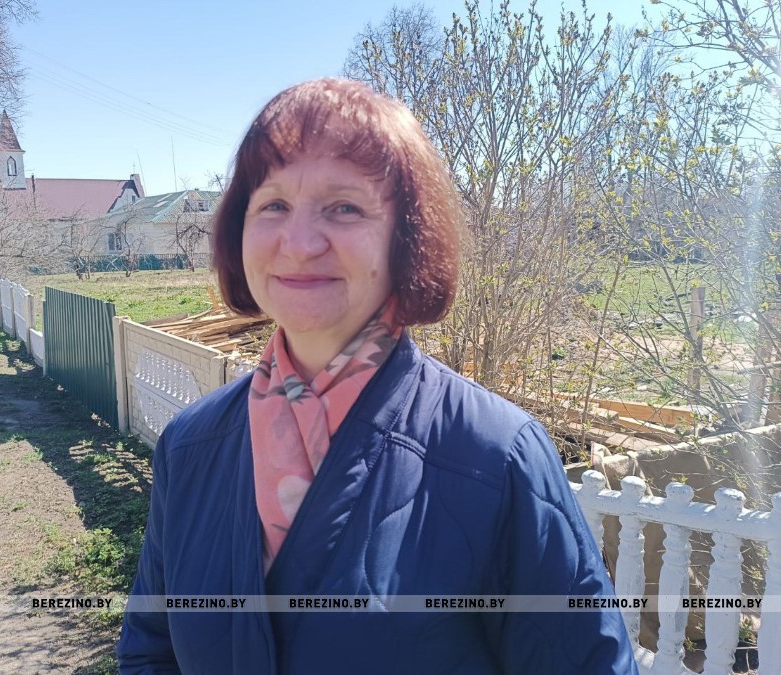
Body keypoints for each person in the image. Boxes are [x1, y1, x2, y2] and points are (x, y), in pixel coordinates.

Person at [117, 78, 638, 674]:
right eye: (273, 205)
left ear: (406, 239)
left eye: (344, 207)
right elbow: (150, 651)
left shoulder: (496, 459)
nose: (299, 243)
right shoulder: (190, 447)